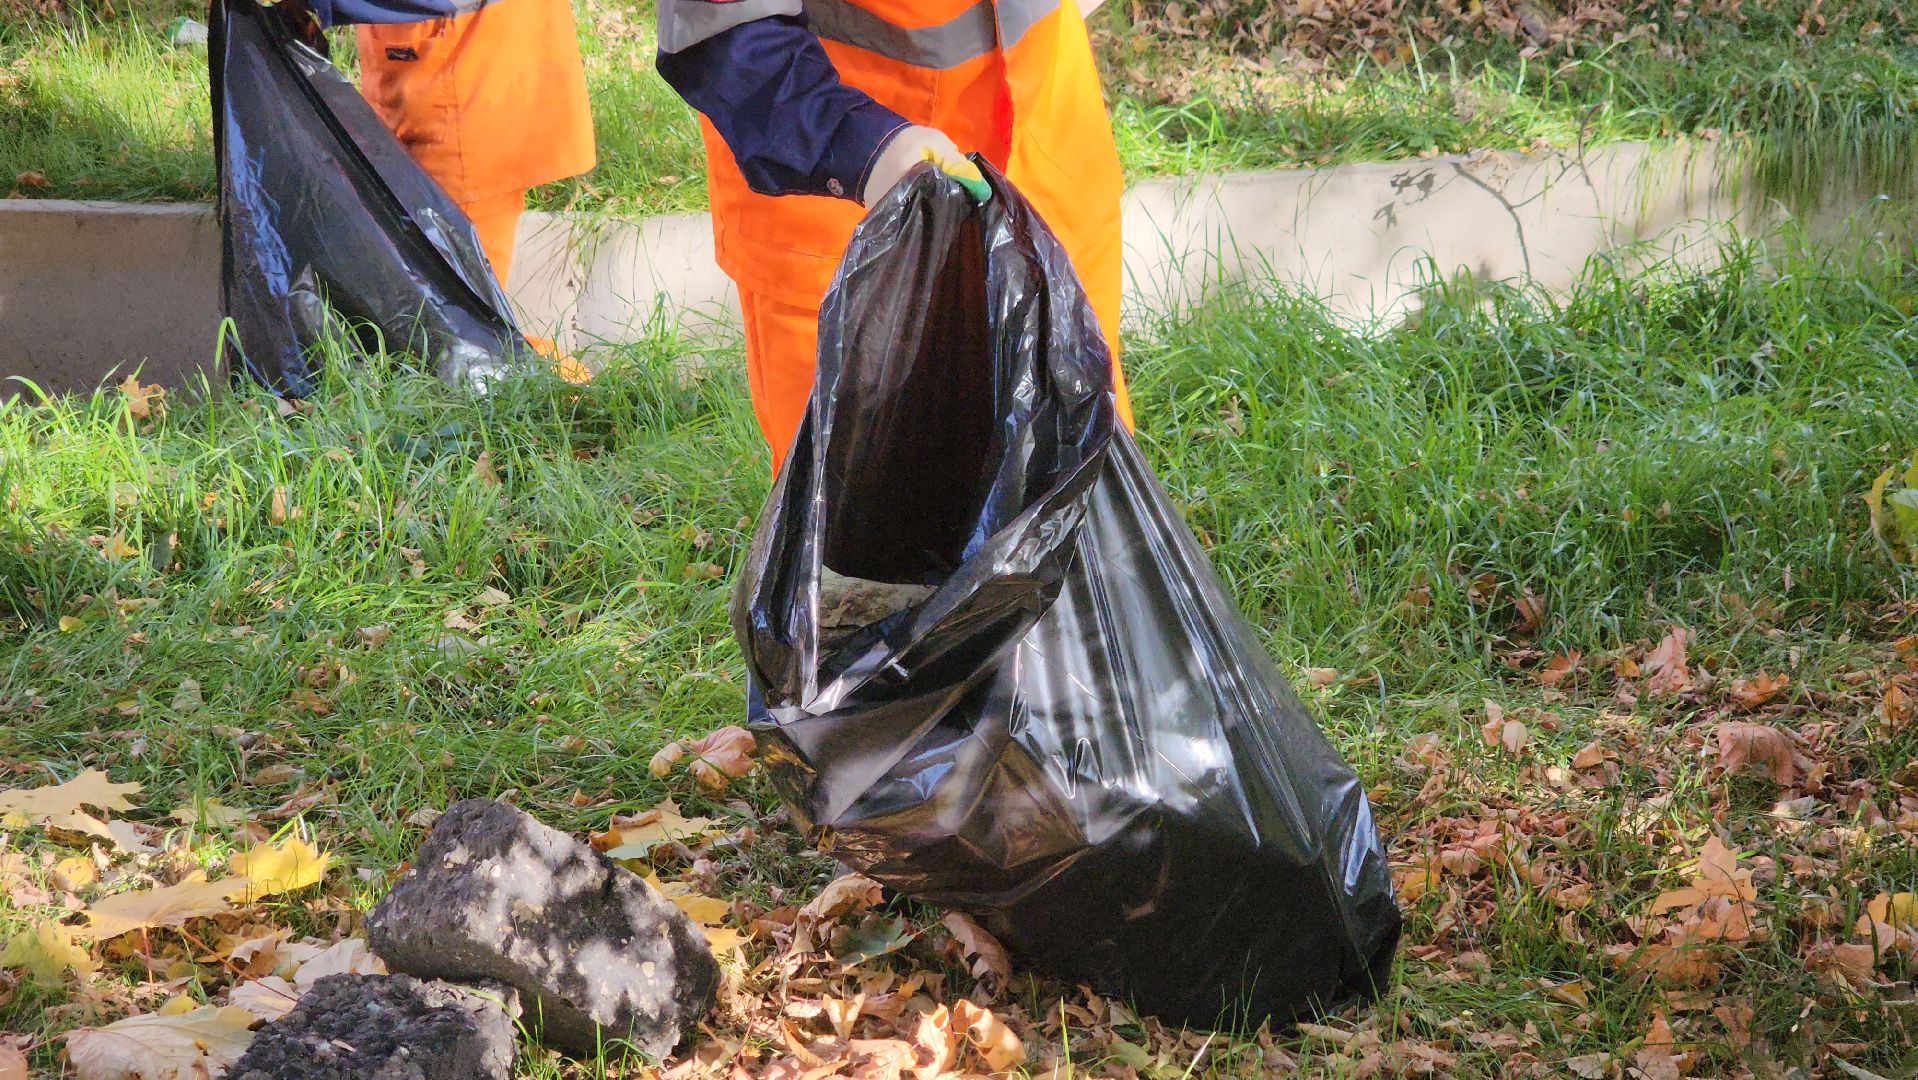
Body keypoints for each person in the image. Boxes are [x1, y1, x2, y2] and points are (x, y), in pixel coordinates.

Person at [655, 0, 1134, 473]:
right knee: (875, 515)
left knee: (1085, 483)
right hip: (857, 217)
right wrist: (859, 144)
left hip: (1050, 160)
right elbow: (721, 31)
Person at [296, 0, 596, 381]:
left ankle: (552, 394)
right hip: (452, 70)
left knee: (458, 331)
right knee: (451, 323)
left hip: (463, 84)